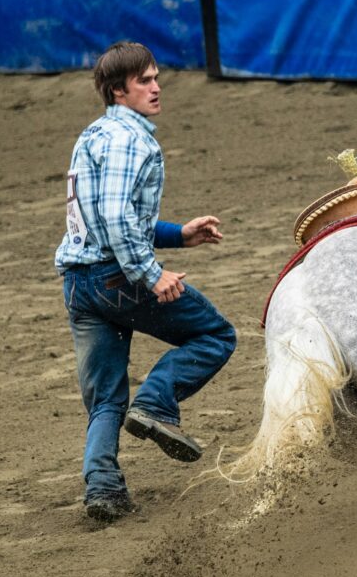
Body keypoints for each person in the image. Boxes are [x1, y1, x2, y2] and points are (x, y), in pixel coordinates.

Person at [55, 42, 237, 521]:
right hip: (116, 278)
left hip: (78, 283)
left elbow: (106, 218)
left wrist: (180, 235)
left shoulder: (92, 135)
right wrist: (151, 274)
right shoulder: (131, 140)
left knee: (106, 397)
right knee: (215, 334)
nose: (156, 88)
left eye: (156, 78)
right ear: (119, 90)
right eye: (145, 81)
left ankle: (104, 489)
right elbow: (116, 220)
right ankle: (157, 404)